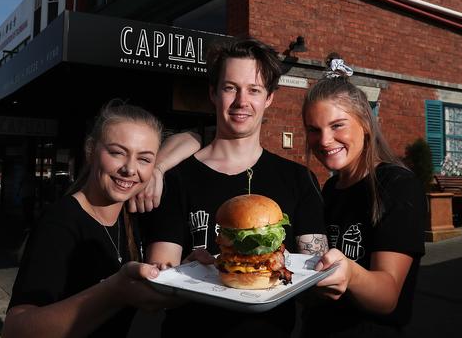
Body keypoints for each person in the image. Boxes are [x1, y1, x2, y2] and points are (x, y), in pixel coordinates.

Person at [139, 37, 328, 338]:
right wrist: (185, 274)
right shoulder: (176, 178)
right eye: (230, 88)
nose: (242, 101)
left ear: (269, 98)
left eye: (254, 90)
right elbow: (157, 285)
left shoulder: (299, 179)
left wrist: (288, 269)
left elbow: (316, 281)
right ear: (213, 93)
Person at [3, 102, 175, 338]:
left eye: (144, 159)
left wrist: (190, 270)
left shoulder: (131, 214)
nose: (130, 169)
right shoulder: (61, 221)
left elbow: (193, 138)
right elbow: (15, 330)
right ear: (90, 151)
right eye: (117, 153)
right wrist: (114, 291)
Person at [301, 55, 426, 337]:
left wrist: (350, 272)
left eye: (337, 125)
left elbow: (387, 297)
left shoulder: (397, 185)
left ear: (366, 124)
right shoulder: (331, 189)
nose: (324, 140)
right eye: (313, 130)